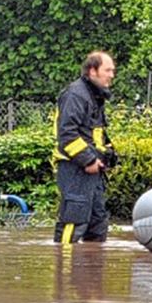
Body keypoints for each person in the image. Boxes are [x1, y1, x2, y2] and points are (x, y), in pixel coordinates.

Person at [52, 51, 118, 244]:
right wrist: (88, 160)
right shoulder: (76, 94)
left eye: (113, 70)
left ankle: (90, 272)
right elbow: (67, 134)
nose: (112, 75)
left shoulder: (94, 96)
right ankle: (64, 268)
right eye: (107, 70)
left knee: (97, 225)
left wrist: (108, 153)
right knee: (73, 221)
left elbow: (94, 134)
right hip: (75, 168)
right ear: (92, 71)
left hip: (93, 171)